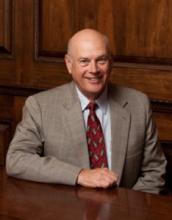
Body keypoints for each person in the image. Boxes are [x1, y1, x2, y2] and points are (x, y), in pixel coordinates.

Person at [6, 28, 166, 194]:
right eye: (84, 61)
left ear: (111, 62)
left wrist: (125, 209)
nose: (94, 69)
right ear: (69, 64)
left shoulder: (138, 104)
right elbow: (16, 159)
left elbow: (155, 171)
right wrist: (79, 175)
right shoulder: (40, 106)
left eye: (101, 60)